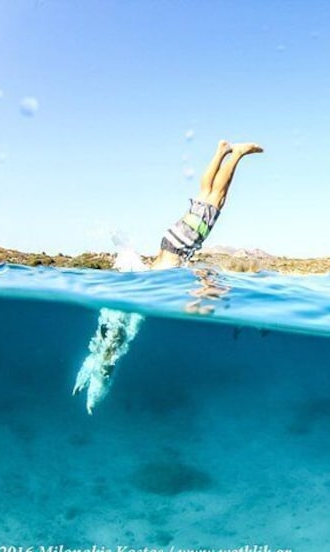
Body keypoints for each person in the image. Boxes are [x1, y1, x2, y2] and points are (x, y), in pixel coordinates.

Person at [73, 140, 262, 414]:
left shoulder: (153, 281)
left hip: (175, 241)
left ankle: (227, 152)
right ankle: (231, 153)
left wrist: (205, 286)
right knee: (213, 195)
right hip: (175, 243)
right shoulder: (153, 282)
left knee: (209, 194)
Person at [152, 139, 263, 269]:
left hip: (183, 240)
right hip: (170, 238)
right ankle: (221, 151)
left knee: (217, 197)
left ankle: (237, 153)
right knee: (205, 192)